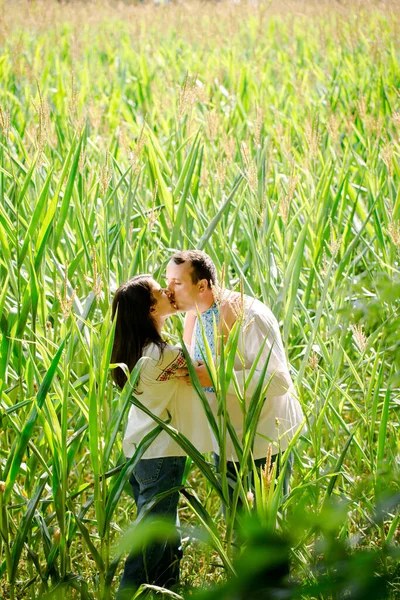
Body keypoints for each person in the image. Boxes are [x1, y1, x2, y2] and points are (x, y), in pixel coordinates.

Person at [165, 250, 305, 501]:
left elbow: (280, 381)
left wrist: (217, 377)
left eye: (176, 283)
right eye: (167, 282)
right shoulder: (193, 317)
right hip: (226, 441)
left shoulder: (250, 316)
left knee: (266, 530)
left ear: (202, 285)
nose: (168, 290)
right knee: (235, 523)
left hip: (265, 442)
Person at [111, 275, 211, 599]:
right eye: (159, 291)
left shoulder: (136, 351)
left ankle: (168, 591)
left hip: (137, 454)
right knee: (151, 539)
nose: (168, 292)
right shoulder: (165, 355)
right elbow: (201, 368)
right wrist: (194, 309)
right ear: (151, 307)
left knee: (166, 534)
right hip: (161, 455)